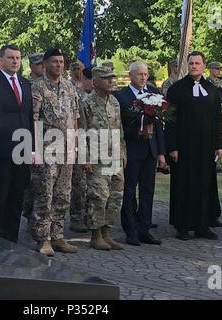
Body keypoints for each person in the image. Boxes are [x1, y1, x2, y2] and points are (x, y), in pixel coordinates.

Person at [165, 51, 222, 240]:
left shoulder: (212, 89)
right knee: (183, 184)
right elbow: (170, 120)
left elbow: (217, 120)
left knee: (204, 185)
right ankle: (182, 226)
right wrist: (172, 146)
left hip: (206, 147)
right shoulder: (176, 89)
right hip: (183, 147)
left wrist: (219, 145)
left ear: (204, 66)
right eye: (191, 63)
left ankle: (203, 226)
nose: (194, 66)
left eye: (197, 63)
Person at [30, 48, 79, 256]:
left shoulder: (69, 87)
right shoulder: (38, 87)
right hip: (47, 149)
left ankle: (58, 236)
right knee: (45, 194)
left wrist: (76, 145)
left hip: (67, 149)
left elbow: (75, 117)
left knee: (63, 194)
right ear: (46, 63)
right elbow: (33, 120)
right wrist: (35, 150)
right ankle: (43, 238)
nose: (59, 65)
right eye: (54, 62)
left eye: (61, 61)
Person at [0, 44, 33, 242]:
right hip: (2, 149)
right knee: (1, 194)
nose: (15, 61)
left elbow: (29, 118)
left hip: (22, 148)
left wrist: (33, 148)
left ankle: (12, 235)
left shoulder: (25, 83)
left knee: (18, 193)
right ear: (1, 60)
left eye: (18, 58)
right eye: (11, 58)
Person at [115, 61, 166, 246]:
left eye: (145, 74)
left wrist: (161, 152)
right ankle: (131, 230)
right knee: (129, 192)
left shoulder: (154, 94)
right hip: (131, 150)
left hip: (150, 152)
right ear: (131, 76)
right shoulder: (121, 97)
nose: (143, 78)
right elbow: (118, 127)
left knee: (147, 191)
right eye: (139, 75)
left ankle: (144, 228)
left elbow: (159, 126)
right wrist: (138, 130)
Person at [82, 66, 126, 250]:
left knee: (115, 196)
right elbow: (80, 131)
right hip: (96, 157)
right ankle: (96, 235)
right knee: (98, 196)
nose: (110, 81)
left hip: (114, 156)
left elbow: (120, 129)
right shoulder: (86, 103)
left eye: (112, 78)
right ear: (96, 81)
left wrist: (123, 153)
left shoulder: (114, 101)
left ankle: (107, 233)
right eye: (106, 78)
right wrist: (84, 158)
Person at [69, 66, 93, 233]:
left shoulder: (103, 97)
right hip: (80, 144)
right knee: (79, 184)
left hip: (98, 145)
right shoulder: (77, 95)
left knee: (93, 185)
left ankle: (90, 216)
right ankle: (77, 217)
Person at [22, 52, 45, 226]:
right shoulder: (25, 85)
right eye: (39, 65)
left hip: (49, 140)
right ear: (32, 66)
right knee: (31, 182)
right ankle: (29, 213)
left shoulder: (48, 85)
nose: (42, 68)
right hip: (30, 137)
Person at [208, 61, 222, 175]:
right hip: (210, 114)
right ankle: (211, 162)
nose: (219, 71)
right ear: (211, 69)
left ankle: (218, 163)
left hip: (220, 113)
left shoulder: (220, 82)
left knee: (221, 134)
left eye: (219, 69)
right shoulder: (206, 82)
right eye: (216, 69)